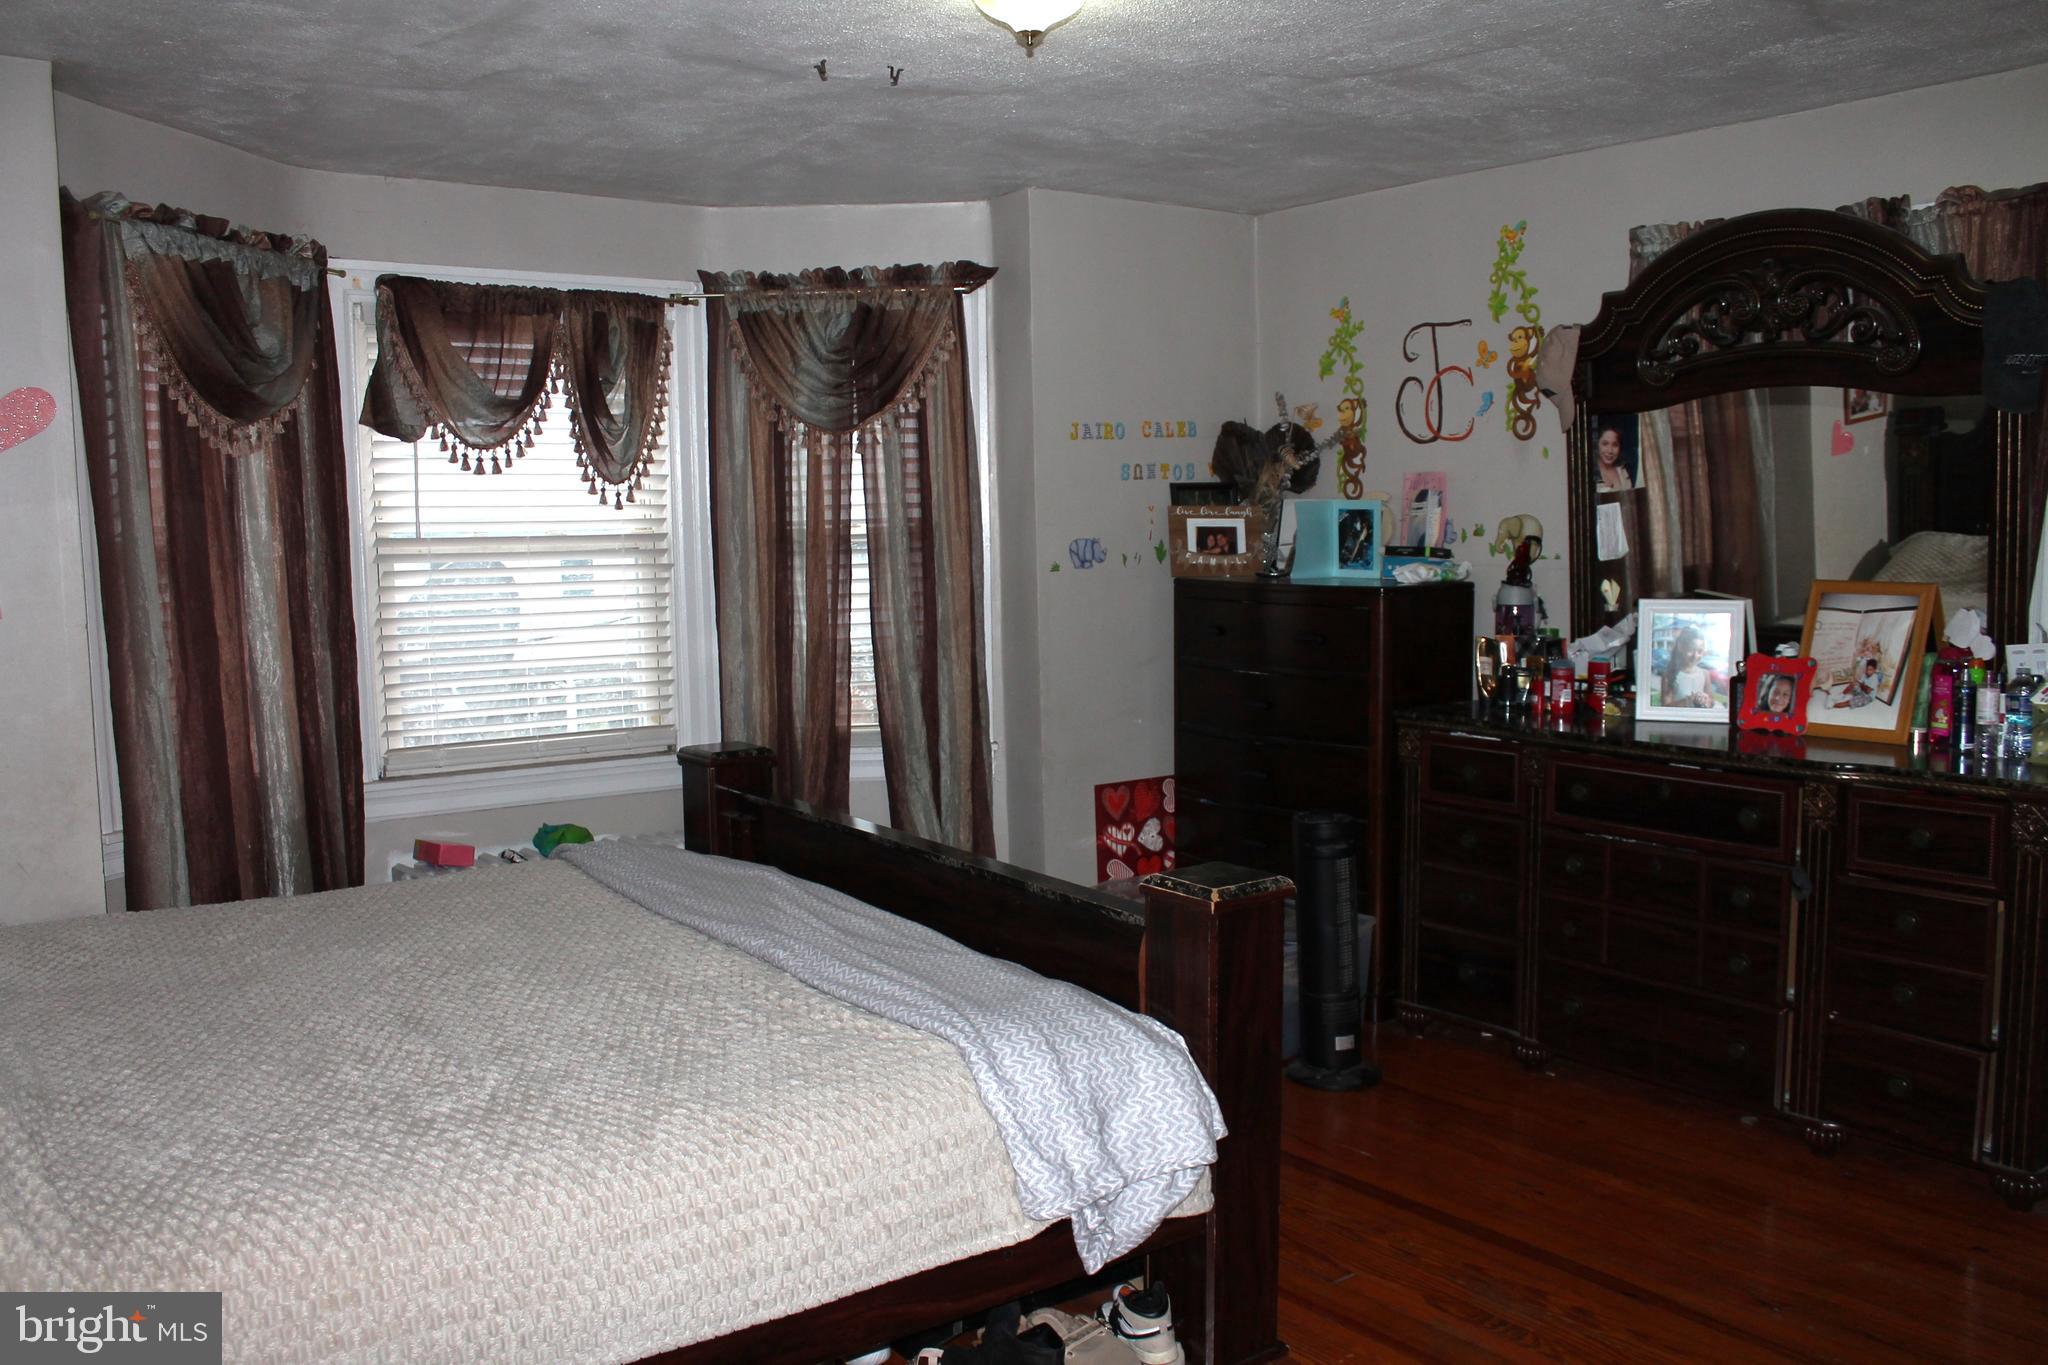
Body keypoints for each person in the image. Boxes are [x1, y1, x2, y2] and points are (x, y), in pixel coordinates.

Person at [1659, 625, 1724, 708]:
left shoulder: (1705, 674)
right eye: (1690, 650)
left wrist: (1705, 700)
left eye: (1699, 651)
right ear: (1681, 647)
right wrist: (1688, 701)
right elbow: (1665, 707)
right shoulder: (1668, 675)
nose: (1695, 655)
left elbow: (1711, 703)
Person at [1595, 424, 1633, 491]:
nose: (1610, 450)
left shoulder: (1623, 470)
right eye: (1605, 444)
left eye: (1615, 445)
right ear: (1597, 444)